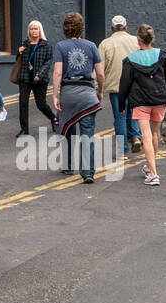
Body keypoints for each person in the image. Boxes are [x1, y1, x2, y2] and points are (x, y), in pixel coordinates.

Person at [118, 23, 166, 186]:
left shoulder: (130, 61)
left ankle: (153, 173)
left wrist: (121, 105)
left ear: (138, 39)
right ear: (152, 38)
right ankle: (149, 167)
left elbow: (124, 85)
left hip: (141, 101)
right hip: (160, 100)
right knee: (154, 134)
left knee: (146, 136)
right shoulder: (162, 55)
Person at [51, 11, 104, 183]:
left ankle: (67, 166)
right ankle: (88, 173)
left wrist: (55, 95)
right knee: (87, 134)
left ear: (65, 28)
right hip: (88, 94)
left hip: (68, 94)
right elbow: (100, 74)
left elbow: (58, 72)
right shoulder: (91, 46)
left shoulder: (60, 46)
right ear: (81, 28)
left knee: (67, 127)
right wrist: (100, 90)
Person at [98, 15, 141, 158]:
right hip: (134, 85)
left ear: (111, 28)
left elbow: (99, 69)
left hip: (116, 87)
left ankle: (122, 150)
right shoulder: (135, 41)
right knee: (133, 113)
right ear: (126, 27)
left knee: (120, 117)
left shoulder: (105, 44)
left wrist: (98, 88)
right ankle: (135, 137)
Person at [16, 20, 56, 136]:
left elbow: (48, 62)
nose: (34, 31)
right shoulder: (25, 44)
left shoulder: (46, 45)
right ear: (29, 31)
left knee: (41, 104)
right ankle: (24, 129)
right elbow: (18, 61)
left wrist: (40, 74)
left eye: (36, 29)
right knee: (23, 103)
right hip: (25, 78)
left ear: (40, 30)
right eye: (32, 29)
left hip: (40, 80)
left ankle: (53, 119)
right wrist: (19, 52)